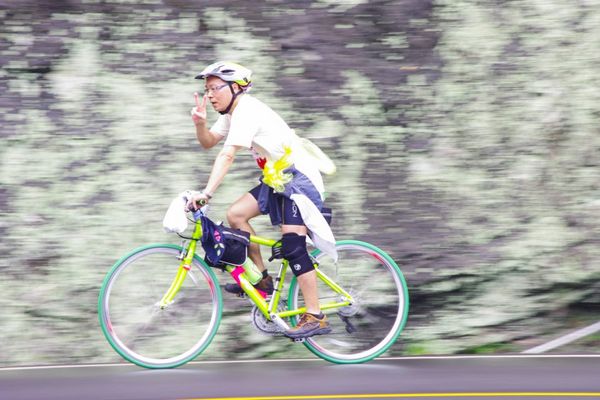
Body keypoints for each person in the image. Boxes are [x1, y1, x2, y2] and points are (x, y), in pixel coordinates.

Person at [186, 61, 336, 339]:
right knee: (236, 215)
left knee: (293, 247)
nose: (210, 95)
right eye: (207, 90)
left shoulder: (247, 110)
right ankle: (263, 280)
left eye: (215, 88)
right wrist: (201, 124)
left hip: (299, 179)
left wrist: (206, 194)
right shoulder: (232, 113)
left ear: (235, 87)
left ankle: (315, 315)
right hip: (277, 179)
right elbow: (208, 142)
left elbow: (227, 155)